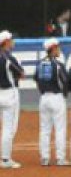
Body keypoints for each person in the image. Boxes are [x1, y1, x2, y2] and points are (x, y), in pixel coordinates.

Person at [35, 38, 68, 166]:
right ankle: (60, 158)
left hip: (44, 98)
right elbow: (65, 81)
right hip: (56, 98)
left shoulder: (40, 64)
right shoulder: (58, 65)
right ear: (53, 48)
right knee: (59, 129)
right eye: (57, 47)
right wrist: (64, 94)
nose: (59, 50)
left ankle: (45, 157)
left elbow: (36, 80)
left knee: (45, 129)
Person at [0, 31, 22, 169]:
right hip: (9, 94)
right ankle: (6, 159)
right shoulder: (8, 58)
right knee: (8, 128)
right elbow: (21, 73)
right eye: (11, 39)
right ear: (6, 42)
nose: (13, 41)